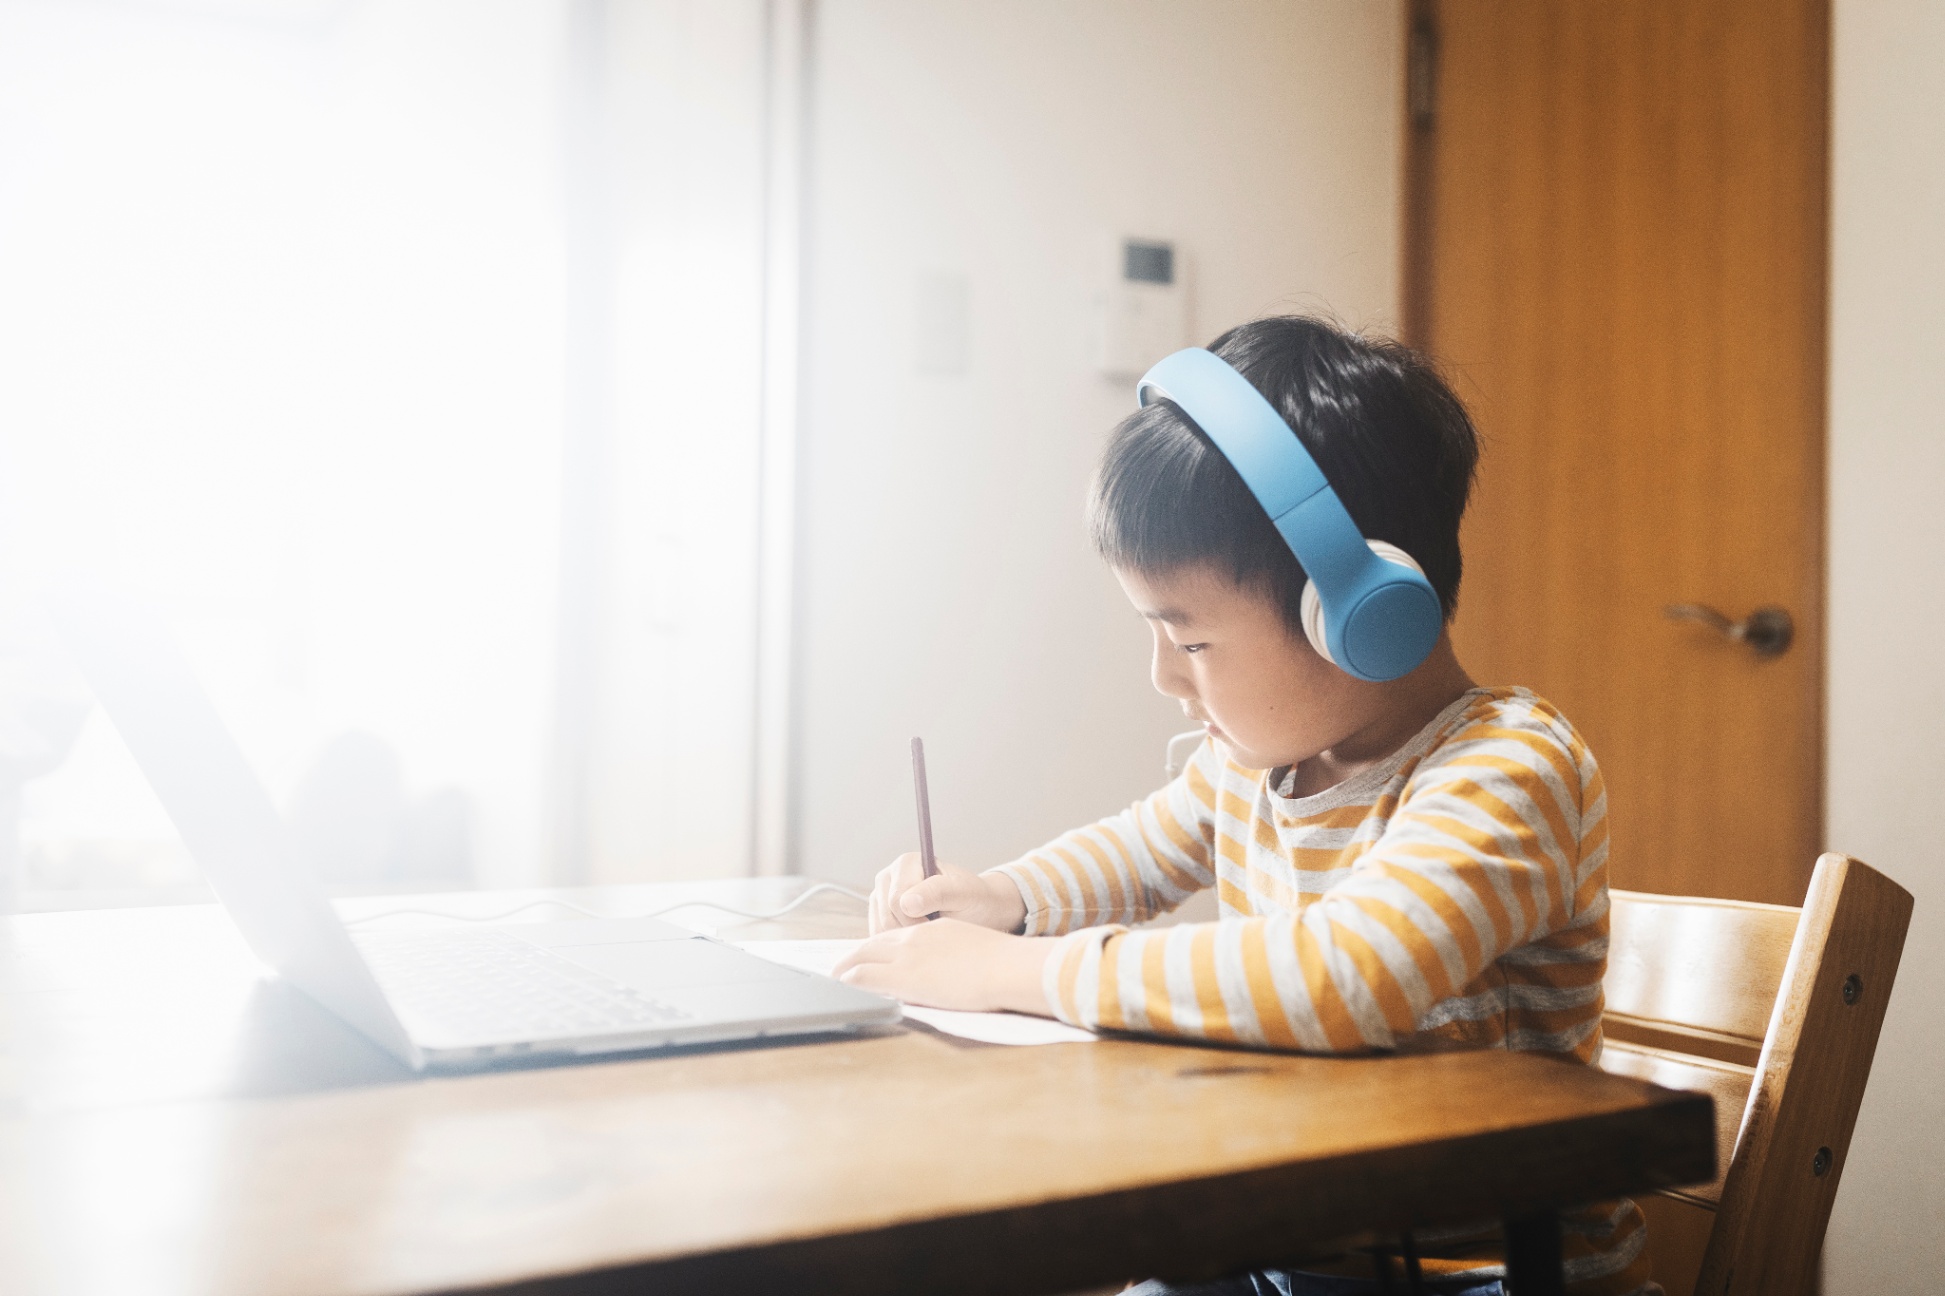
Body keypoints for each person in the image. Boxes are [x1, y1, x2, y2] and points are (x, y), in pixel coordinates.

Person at [833, 315, 1653, 1296]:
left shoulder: (1506, 769)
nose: (1163, 678)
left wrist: (1017, 970)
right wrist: (1000, 901)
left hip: (1485, 1272)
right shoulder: (1256, 768)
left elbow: (1344, 979)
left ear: (1355, 613)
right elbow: (1137, 856)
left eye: (1191, 640)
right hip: (1296, 1244)